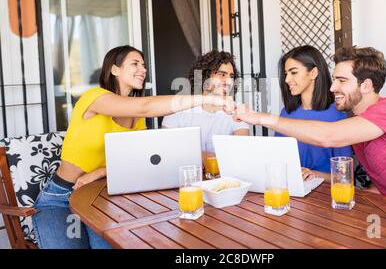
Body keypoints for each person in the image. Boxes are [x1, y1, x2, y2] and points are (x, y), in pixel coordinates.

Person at [234, 46, 386, 240]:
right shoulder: (357, 127)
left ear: (366, 85)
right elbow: (385, 180)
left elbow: (329, 136)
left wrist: (258, 117)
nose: (332, 88)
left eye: (342, 81)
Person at [32, 45, 235, 249]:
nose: (143, 69)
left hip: (101, 199)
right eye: (135, 63)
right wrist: (207, 98)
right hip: (61, 199)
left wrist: (98, 173)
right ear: (114, 69)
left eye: (144, 65)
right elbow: (145, 106)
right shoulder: (94, 98)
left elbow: (133, 162)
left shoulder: (136, 118)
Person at [275, 45, 352, 182]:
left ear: (313, 73)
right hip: (292, 191)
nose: (286, 79)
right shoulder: (286, 114)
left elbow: (344, 177)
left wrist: (314, 174)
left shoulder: (337, 115)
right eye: (286, 73)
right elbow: (278, 162)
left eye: (293, 72)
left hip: (324, 196)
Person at [162, 50, 249, 154]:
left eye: (231, 76)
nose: (229, 81)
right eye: (222, 74)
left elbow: (241, 151)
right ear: (205, 76)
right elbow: (166, 149)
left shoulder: (237, 110)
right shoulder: (180, 107)